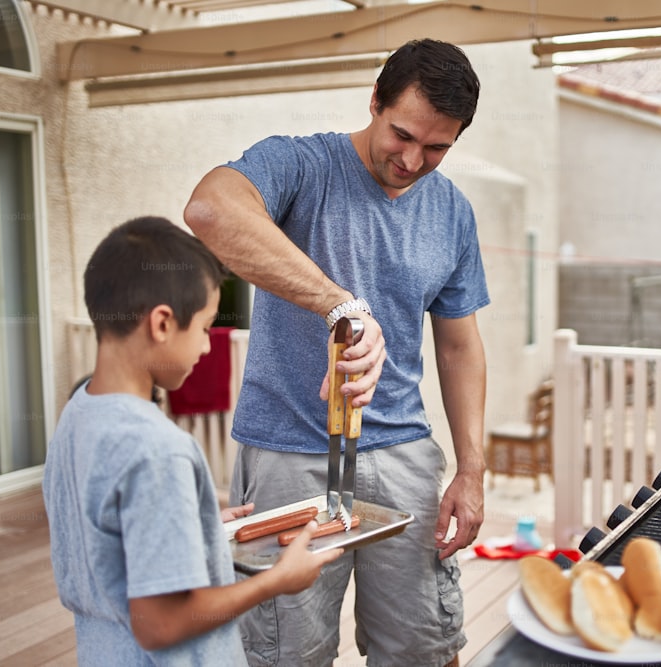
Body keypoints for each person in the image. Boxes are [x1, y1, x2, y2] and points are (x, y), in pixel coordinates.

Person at [183, 38, 488, 667]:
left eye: (436, 147)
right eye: (401, 134)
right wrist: (342, 305)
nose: (411, 159)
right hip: (288, 455)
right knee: (285, 653)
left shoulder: (453, 211)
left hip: (404, 452)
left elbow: (459, 346)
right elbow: (211, 208)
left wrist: (472, 467)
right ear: (374, 101)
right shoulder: (299, 165)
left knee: (424, 649)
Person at [43, 216, 342, 666]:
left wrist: (197, 528)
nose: (206, 347)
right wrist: (276, 580)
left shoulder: (78, 413)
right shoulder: (157, 450)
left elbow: (110, 542)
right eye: (204, 327)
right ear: (162, 323)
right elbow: (160, 623)